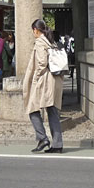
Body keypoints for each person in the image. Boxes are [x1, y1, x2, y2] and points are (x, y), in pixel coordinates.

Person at [22, 19, 64, 154]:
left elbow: (41, 63)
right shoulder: (51, 41)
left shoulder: (40, 42)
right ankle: (57, 144)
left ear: (35, 29)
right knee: (53, 112)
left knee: (32, 107)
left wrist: (35, 79)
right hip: (55, 79)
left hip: (44, 80)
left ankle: (42, 138)